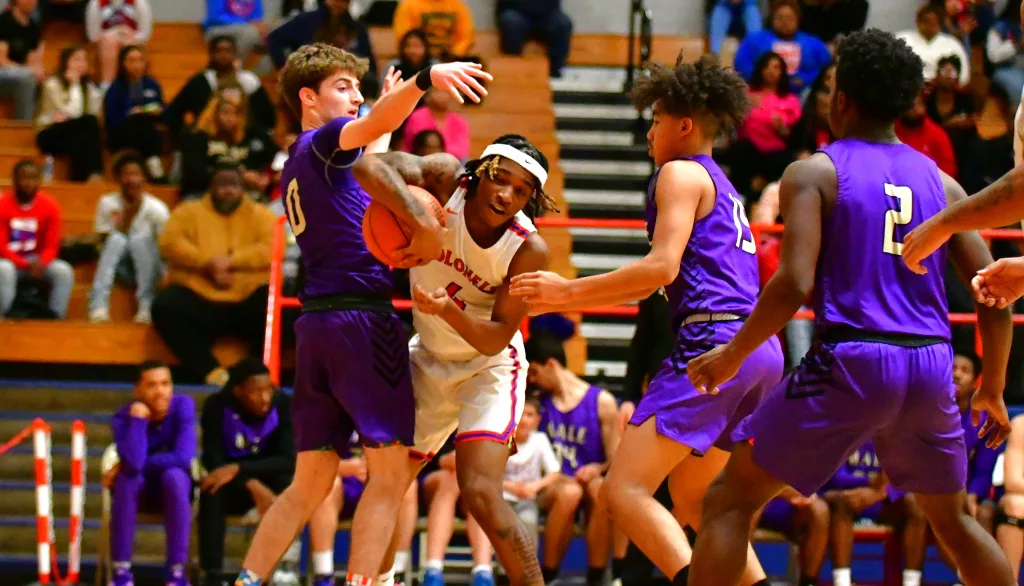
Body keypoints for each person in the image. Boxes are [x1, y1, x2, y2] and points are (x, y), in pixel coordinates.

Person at [683, 28, 1015, 586]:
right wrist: (993, 386)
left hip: (853, 360)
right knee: (954, 520)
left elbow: (793, 283)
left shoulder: (813, 172)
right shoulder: (945, 184)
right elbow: (994, 290)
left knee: (727, 502)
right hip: (930, 365)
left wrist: (733, 354)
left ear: (840, 99)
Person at [508, 53, 782, 586]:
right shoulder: (724, 185)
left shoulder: (678, 173)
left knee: (622, 490)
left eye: (657, 120)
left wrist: (567, 293)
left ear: (685, 125)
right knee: (697, 500)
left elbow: (660, 268)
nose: (650, 132)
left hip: (714, 339)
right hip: (755, 349)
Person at [231, 43, 488, 586]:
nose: (355, 96)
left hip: (316, 326)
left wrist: (384, 120)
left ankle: (247, 580)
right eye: (342, 87)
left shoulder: (301, 162)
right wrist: (424, 80)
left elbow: (369, 163)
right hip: (361, 322)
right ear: (308, 97)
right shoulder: (323, 140)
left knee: (309, 481)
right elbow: (372, 125)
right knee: (391, 475)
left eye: (357, 87)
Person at [354, 133, 557, 586]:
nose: (506, 195)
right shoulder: (445, 179)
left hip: (489, 367)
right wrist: (421, 222)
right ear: (481, 170)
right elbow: (367, 167)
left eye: (521, 190)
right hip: (429, 356)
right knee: (386, 483)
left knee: (480, 490)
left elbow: (496, 338)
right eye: (500, 179)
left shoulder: (528, 248)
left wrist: (449, 310)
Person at [152, 162, 277, 385]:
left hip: (246, 297)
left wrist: (231, 261)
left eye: (234, 185)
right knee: (165, 306)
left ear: (243, 188)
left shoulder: (263, 216)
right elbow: (170, 243)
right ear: (210, 186)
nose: (228, 190)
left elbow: (271, 248)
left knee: (282, 311)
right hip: (200, 295)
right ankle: (211, 372)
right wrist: (207, 264)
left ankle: (249, 374)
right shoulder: (187, 212)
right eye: (222, 185)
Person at [526, 331, 622, 586]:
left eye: (534, 372)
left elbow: (615, 460)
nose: (532, 380)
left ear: (551, 364)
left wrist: (598, 467)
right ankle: (548, 576)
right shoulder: (537, 402)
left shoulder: (602, 401)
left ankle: (596, 577)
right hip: (549, 485)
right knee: (569, 492)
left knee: (602, 489)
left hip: (587, 482)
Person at [197, 358, 299, 586]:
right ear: (238, 391)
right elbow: (213, 461)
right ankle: (212, 575)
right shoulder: (216, 406)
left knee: (291, 486)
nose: (265, 398)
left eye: (268, 389)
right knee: (211, 490)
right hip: (235, 486)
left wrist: (240, 468)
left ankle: (284, 570)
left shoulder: (283, 403)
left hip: (271, 480)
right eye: (256, 391)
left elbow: (288, 459)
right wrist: (250, 483)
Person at [105, 360, 196, 586]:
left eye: (165, 384)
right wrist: (138, 422)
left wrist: (124, 464)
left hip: (174, 491)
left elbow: (184, 457)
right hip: (139, 493)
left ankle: (176, 572)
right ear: (137, 391)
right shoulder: (123, 418)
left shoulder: (183, 406)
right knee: (128, 479)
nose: (160, 391)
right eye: (151, 385)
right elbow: (135, 464)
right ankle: (121, 572)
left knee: (174, 476)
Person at [822, 443, 928, 586]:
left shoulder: (894, 436)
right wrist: (869, 482)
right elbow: (834, 477)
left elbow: (907, 478)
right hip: (849, 498)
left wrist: (879, 493)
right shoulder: (842, 434)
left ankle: (912, 582)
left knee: (916, 506)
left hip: (882, 502)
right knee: (840, 502)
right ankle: (842, 582)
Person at [88, 151, 169, 324]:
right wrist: (127, 217)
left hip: (150, 267)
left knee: (139, 240)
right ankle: (98, 306)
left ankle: (146, 305)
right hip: (120, 267)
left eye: (136, 174)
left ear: (143, 178)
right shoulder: (107, 203)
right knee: (116, 239)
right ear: (118, 178)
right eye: (127, 174)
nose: (132, 179)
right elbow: (103, 243)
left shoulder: (157, 209)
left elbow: (165, 249)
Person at [0, 160, 73, 319]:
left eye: (33, 178)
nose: (28, 183)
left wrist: (41, 262)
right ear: (14, 180)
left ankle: (56, 319)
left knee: (63, 271)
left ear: (39, 180)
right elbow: (2, 247)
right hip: (10, 261)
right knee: (4, 269)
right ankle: (5, 320)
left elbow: (52, 246)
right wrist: (25, 264)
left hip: (38, 261)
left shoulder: (50, 206)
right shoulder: (2, 204)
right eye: (24, 178)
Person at [35, 45, 104, 182]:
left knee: (83, 134)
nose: (81, 64)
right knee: (86, 125)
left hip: (75, 133)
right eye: (76, 59)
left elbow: (94, 114)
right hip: (49, 132)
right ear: (65, 62)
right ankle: (95, 173)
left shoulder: (89, 87)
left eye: (84, 60)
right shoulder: (52, 84)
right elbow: (72, 113)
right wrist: (74, 85)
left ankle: (79, 180)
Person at [103, 44, 167, 182]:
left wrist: (156, 111)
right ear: (123, 63)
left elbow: (162, 109)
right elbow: (111, 121)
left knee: (144, 122)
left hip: (148, 132)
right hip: (122, 134)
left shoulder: (152, 85)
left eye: (140, 60)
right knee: (139, 120)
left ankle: (153, 164)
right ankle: (153, 165)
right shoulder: (116, 89)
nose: (136, 65)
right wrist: (131, 114)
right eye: (132, 60)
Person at [755, 489, 829, 586]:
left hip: (788, 505)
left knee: (820, 509)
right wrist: (784, 491)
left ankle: (808, 583)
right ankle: (750, 580)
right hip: (759, 498)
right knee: (749, 504)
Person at [496, 0, 573, 78]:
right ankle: (512, 71)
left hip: (547, 15)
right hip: (516, 12)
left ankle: (554, 72)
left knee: (563, 24)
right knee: (510, 21)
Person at [85, 0, 153, 87]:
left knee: (129, 45)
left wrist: (127, 36)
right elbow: (93, 36)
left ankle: (134, 86)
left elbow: (144, 34)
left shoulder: (138, 3)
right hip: (105, 43)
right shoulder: (96, 3)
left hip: (132, 41)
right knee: (109, 42)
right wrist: (115, 33)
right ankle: (107, 86)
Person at [0, 0, 45, 121]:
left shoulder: (34, 28)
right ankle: (24, 125)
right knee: (27, 76)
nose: (33, 2)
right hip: (3, 73)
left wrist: (37, 72)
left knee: (45, 81)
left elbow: (34, 61)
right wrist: (27, 71)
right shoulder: (3, 22)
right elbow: (2, 60)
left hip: (21, 76)